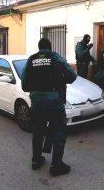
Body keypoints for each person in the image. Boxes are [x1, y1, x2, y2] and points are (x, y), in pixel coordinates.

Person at [21, 38, 77, 176]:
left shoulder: (31, 59)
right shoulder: (55, 58)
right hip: (53, 98)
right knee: (58, 130)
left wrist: (36, 89)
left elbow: (24, 85)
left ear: (39, 47)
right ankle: (56, 165)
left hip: (36, 99)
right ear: (50, 47)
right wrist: (60, 80)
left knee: (38, 129)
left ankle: (36, 160)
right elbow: (72, 75)